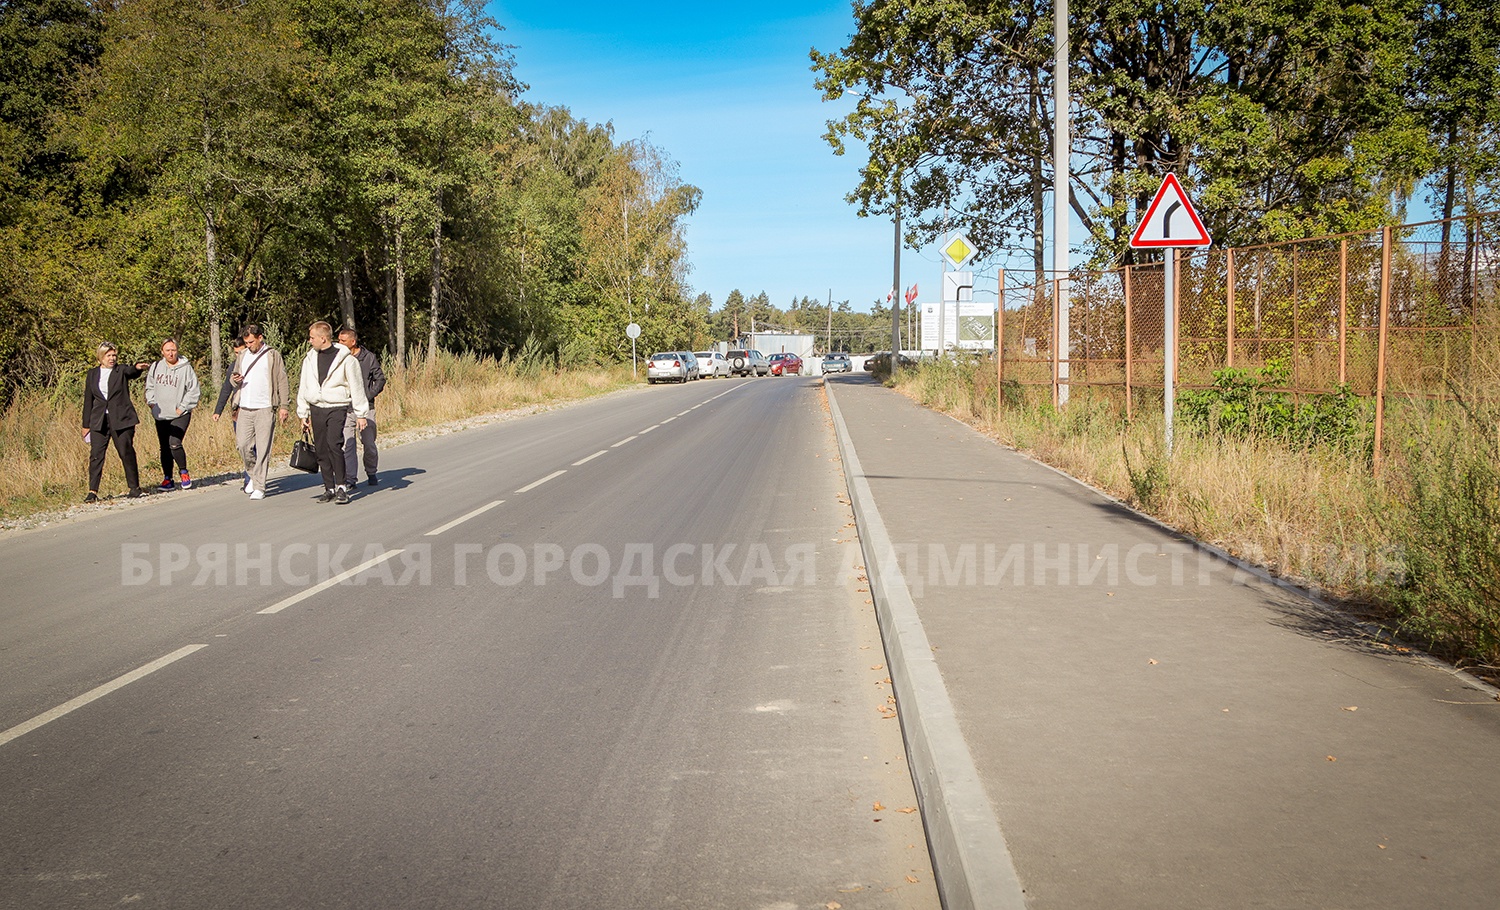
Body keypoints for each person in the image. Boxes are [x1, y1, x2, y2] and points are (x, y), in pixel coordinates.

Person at [296, 321, 368, 505]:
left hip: (337, 406)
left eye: (312, 337)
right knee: (321, 449)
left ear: (323, 338)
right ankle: (329, 488)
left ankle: (342, 486)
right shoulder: (309, 358)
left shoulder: (346, 359)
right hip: (316, 407)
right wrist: (303, 413)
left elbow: (356, 386)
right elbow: (304, 386)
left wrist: (361, 414)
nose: (309, 340)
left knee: (334, 445)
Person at [81, 342, 150, 502]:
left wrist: (138, 367)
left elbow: (131, 371)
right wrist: (86, 425)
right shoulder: (92, 374)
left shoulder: (120, 371)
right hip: (99, 420)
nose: (112, 359)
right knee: (96, 455)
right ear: (101, 357)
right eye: (108, 356)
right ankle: (92, 491)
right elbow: (88, 400)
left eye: (114, 355)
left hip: (121, 419)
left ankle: (134, 487)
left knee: (125, 451)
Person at [230, 324, 290, 501]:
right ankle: (254, 475)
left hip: (264, 407)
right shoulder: (242, 355)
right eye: (246, 343)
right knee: (242, 445)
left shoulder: (272, 355)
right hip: (245, 407)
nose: (248, 345)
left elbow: (282, 380)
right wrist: (236, 380)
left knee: (263, 448)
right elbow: (234, 381)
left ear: (260, 338)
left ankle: (260, 486)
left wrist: (284, 406)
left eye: (251, 342)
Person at [144, 338, 201, 490]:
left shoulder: (185, 368)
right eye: (168, 350)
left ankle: (184, 472)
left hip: (180, 414)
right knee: (164, 446)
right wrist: (152, 404)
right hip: (161, 413)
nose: (171, 353)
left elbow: (193, 390)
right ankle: (167, 479)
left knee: (174, 443)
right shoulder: (156, 367)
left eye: (173, 350)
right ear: (162, 351)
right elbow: (149, 387)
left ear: (177, 350)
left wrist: (182, 407)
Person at [337, 327, 385, 486]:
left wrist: (367, 397)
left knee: (369, 444)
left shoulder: (368, 357)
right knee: (347, 444)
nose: (339, 343)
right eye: (338, 340)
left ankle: (371, 472)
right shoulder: (338, 358)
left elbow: (380, 380)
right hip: (345, 408)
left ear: (353, 341)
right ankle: (350, 479)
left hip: (366, 409)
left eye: (343, 341)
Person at [212, 338, 251, 488]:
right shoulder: (233, 367)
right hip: (238, 411)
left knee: (254, 446)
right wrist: (218, 411)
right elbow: (226, 389)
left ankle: (252, 477)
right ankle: (250, 476)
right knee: (243, 445)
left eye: (241, 352)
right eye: (236, 353)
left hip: (255, 410)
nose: (239, 355)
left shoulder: (256, 364)